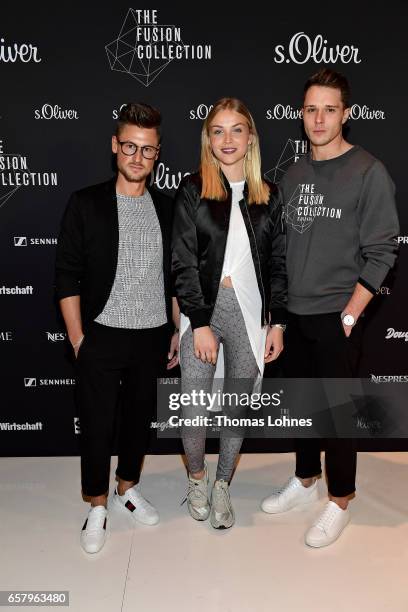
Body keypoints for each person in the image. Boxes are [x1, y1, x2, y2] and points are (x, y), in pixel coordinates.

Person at [261, 69, 399, 547]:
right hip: (293, 315)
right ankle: (304, 481)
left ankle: (339, 500)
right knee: (302, 404)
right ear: (302, 115)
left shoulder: (368, 172)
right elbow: (281, 252)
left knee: (337, 413)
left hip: (336, 315)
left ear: (346, 114)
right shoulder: (294, 174)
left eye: (329, 109)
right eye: (311, 109)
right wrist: (279, 318)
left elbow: (383, 250)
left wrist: (349, 314)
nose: (319, 118)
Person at [55, 103, 179, 554]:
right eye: (130, 146)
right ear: (115, 146)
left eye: (147, 149)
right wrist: (78, 339)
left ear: (157, 153)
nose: (137, 156)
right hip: (101, 332)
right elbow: (66, 276)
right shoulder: (86, 204)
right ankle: (97, 504)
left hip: (151, 334)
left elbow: (176, 275)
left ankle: (127, 488)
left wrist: (175, 327)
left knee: (137, 420)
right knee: (96, 423)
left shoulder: (168, 209)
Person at [172, 97, 287, 529]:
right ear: (208, 138)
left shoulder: (270, 194)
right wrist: (198, 321)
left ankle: (223, 485)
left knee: (237, 408)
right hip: (202, 309)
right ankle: (197, 478)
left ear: (251, 137)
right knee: (193, 410)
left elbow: (278, 264)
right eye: (218, 130)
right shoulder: (192, 188)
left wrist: (278, 322)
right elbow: (182, 261)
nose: (227, 139)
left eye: (237, 129)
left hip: (250, 312)